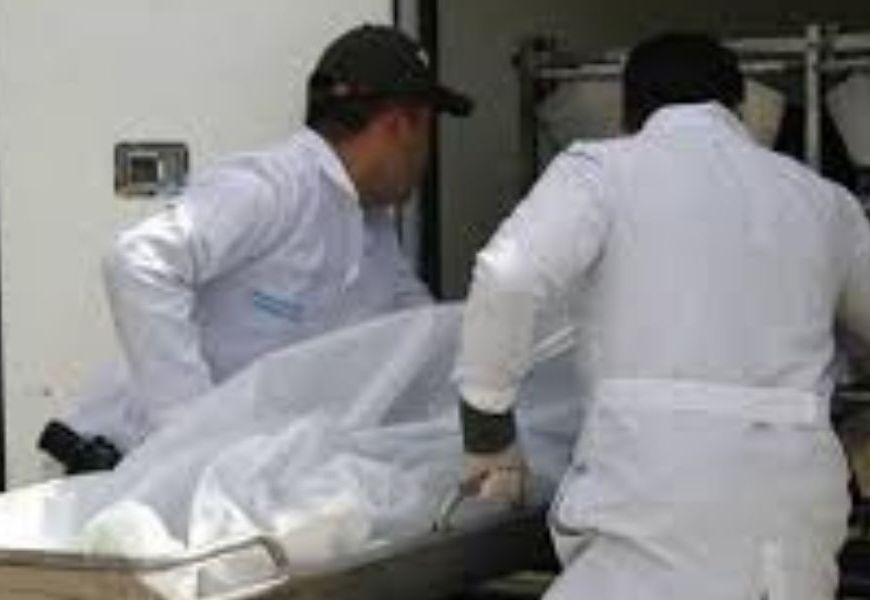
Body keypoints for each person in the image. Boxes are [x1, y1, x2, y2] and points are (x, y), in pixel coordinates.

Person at [454, 32, 870, 599]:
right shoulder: (824, 202)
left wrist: (488, 436)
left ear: (628, 113)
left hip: (650, 517)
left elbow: (508, 275)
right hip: (790, 533)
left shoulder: (601, 171)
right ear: (741, 109)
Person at [39, 24, 473, 474]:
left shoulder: (372, 234)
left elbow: (422, 335)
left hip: (206, 485)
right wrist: (192, 440)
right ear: (400, 125)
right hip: (110, 468)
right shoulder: (275, 188)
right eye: (428, 133)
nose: (426, 158)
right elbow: (137, 262)